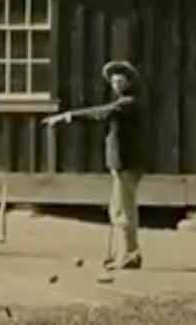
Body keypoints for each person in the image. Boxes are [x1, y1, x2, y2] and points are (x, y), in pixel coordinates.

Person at [44, 60, 147, 270]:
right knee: (118, 209)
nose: (116, 84)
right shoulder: (123, 102)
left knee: (123, 211)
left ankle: (128, 255)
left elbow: (102, 112)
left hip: (127, 164)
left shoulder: (129, 103)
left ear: (128, 81)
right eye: (114, 81)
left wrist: (68, 116)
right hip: (120, 164)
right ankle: (126, 253)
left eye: (121, 80)